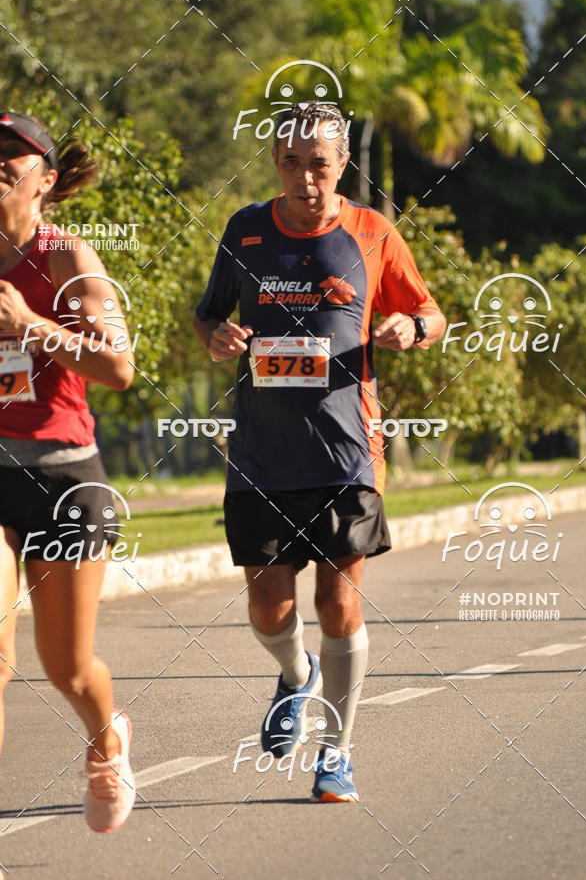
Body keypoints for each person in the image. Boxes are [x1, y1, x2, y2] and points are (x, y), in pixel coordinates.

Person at [193, 101, 446, 802]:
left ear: (342, 166)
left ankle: (336, 751)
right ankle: (295, 671)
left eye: (322, 165)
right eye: (294, 164)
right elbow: (209, 312)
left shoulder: (373, 232)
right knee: (269, 610)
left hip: (347, 451)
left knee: (339, 601)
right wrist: (214, 336)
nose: (307, 179)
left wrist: (411, 328)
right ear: (276, 163)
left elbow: (433, 314)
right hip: (261, 453)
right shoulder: (244, 231)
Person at [0, 112, 135, 831]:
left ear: (46, 181)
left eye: (13, 156)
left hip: (62, 479)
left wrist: (29, 325)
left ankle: (106, 735)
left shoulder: (68, 259)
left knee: (69, 669)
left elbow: (118, 366)